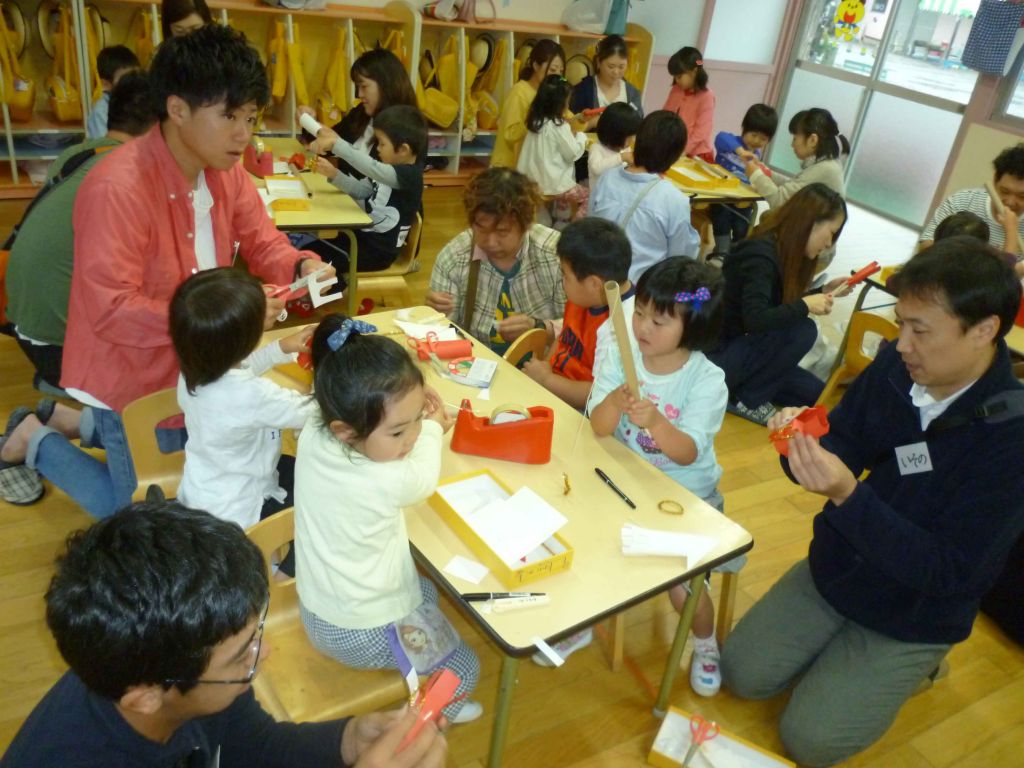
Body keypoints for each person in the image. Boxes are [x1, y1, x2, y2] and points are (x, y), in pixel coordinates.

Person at [0, 25, 333, 519]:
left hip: (198, 364)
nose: (244, 134)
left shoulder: (226, 171)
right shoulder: (117, 188)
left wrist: (299, 264)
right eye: (228, 116)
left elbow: (262, 239)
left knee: (187, 465)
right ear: (177, 109)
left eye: (250, 117)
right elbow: (113, 310)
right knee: (140, 514)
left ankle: (80, 425)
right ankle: (36, 440)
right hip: (128, 370)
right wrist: (224, 318)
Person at [721, 238, 1024, 767]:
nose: (902, 344)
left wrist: (847, 493)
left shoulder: (1011, 436)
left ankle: (922, 663)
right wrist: (800, 447)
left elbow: (951, 571)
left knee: (810, 741)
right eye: (900, 323)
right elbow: (843, 442)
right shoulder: (895, 369)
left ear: (984, 330)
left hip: (916, 611)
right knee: (741, 674)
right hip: (841, 566)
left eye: (920, 331)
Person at [0, 501, 447, 767]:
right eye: (240, 655)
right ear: (147, 698)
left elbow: (253, 747)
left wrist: (347, 740)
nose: (264, 653)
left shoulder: (172, 666)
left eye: (255, 636)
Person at [295, 315, 483, 724]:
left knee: (426, 589)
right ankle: (416, 730)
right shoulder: (384, 479)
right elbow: (421, 479)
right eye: (398, 432)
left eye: (416, 420)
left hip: (317, 606)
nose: (411, 436)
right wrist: (431, 429)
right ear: (345, 431)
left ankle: (420, 664)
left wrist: (407, 411)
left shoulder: (314, 429)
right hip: (359, 631)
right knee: (466, 669)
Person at [590, 258, 734, 696]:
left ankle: (705, 644)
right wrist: (614, 402)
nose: (642, 327)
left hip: (686, 497)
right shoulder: (622, 355)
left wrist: (655, 422)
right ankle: (583, 619)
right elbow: (598, 426)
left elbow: (687, 452)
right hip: (631, 483)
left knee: (681, 585)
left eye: (659, 320)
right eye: (639, 313)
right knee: (588, 542)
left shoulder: (707, 381)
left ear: (694, 327)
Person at [4, 72, 155, 397]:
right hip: (60, 348)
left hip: (22, 325)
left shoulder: (79, 153)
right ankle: (69, 404)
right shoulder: (128, 175)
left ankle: (61, 402)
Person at [170, 269, 316, 539]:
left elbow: (240, 370)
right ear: (244, 340)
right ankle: (274, 563)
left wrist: (281, 348)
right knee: (318, 504)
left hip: (203, 490)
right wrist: (332, 372)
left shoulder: (194, 367)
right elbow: (310, 411)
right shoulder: (252, 395)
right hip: (241, 511)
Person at [708, 183, 852, 426]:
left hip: (748, 350)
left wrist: (821, 291)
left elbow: (777, 304)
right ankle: (746, 400)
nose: (830, 243)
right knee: (804, 330)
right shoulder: (760, 255)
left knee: (815, 394)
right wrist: (805, 304)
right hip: (719, 354)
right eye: (831, 233)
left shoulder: (783, 251)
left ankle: (748, 389)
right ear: (810, 223)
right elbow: (756, 320)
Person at [426, 167, 565, 353]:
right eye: (481, 228)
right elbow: (444, 333)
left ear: (526, 224)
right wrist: (436, 315)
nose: (490, 242)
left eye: (502, 232)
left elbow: (586, 327)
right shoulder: (454, 256)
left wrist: (540, 328)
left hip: (543, 363)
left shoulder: (557, 254)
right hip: (478, 358)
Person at [522, 217, 633, 410]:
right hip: (550, 391)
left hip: (581, 414)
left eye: (565, 275)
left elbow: (601, 395)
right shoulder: (584, 297)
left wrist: (547, 380)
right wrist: (544, 370)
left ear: (594, 283)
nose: (562, 281)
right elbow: (564, 338)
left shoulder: (623, 330)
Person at [305, 104, 427, 272]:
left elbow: (372, 167)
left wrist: (337, 144)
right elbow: (362, 191)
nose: (377, 148)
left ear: (403, 149)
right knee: (310, 251)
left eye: (382, 144)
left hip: (378, 252)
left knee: (318, 260)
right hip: (361, 237)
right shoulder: (388, 166)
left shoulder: (410, 176)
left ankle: (337, 285)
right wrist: (334, 173)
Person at [589, 110, 699, 284]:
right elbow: (680, 259)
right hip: (640, 290)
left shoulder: (607, 178)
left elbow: (589, 226)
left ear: (637, 140)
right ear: (674, 156)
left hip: (594, 280)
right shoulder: (674, 200)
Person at [300, 48, 418, 170]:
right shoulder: (361, 112)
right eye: (358, 87)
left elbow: (376, 176)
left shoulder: (405, 129)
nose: (359, 94)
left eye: (364, 86)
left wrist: (339, 148)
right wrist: (308, 121)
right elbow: (327, 140)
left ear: (386, 85)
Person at [919, 143, 1024, 254]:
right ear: (994, 181)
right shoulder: (963, 201)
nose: (1010, 202)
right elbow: (925, 247)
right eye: (1004, 191)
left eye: (1022, 196)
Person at [709, 103, 778, 261]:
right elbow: (720, 137)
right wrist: (741, 152)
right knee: (722, 217)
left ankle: (735, 253)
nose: (756, 141)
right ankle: (722, 251)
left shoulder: (757, 155)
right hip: (721, 197)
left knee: (743, 226)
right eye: (753, 135)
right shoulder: (731, 144)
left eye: (763, 139)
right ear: (744, 128)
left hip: (743, 200)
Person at [516, 74, 589, 226]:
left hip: (530, 182)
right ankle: (571, 228)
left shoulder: (535, 121)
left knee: (562, 186)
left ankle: (555, 219)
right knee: (589, 197)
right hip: (553, 186)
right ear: (561, 104)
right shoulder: (559, 126)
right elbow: (573, 154)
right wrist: (581, 137)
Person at [745, 108, 848, 209]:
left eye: (795, 138)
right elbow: (795, 184)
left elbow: (779, 200)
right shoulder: (827, 164)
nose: (792, 144)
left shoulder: (825, 169)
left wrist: (756, 175)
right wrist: (769, 174)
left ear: (812, 140)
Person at [490, 39, 566, 169]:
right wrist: (536, 116)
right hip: (508, 167)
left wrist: (581, 119)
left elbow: (565, 119)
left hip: (531, 167)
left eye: (561, 72)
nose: (557, 76)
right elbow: (510, 134)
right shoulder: (519, 92)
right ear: (536, 65)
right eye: (552, 70)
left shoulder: (552, 94)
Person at [569, 34, 643, 118]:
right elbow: (569, 122)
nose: (616, 72)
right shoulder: (583, 90)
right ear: (598, 62)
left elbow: (639, 121)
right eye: (611, 66)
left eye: (621, 67)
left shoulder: (632, 93)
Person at [662, 47, 715, 162]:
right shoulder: (676, 89)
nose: (677, 80)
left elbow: (701, 131)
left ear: (694, 71)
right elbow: (665, 115)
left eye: (679, 76)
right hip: (676, 148)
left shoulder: (706, 96)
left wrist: (683, 150)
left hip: (698, 154)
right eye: (674, 77)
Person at [85, 45, 139, 139]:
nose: (132, 83)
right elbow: (106, 146)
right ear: (106, 84)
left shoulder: (137, 102)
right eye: (125, 80)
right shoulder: (101, 111)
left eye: (135, 77)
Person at [587, 101, 641, 183]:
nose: (633, 140)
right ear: (615, 135)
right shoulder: (596, 148)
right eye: (629, 137)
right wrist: (621, 158)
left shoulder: (625, 149)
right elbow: (596, 168)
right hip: (601, 191)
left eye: (634, 136)